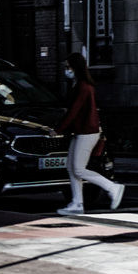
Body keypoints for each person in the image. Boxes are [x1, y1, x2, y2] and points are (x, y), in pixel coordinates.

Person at [54, 52, 124, 216]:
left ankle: (112, 187)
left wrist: (57, 130)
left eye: (68, 66)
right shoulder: (78, 84)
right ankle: (77, 203)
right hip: (80, 131)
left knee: (78, 169)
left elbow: (73, 111)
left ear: (75, 67)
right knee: (71, 167)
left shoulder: (84, 87)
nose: (66, 70)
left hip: (87, 132)